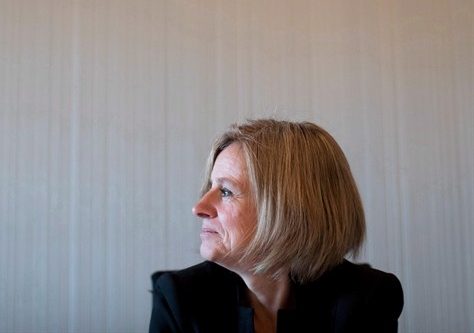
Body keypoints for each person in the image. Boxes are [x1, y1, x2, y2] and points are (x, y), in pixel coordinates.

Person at [149, 119, 403, 333]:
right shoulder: (180, 297)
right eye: (211, 187)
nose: (199, 207)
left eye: (225, 191)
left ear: (290, 210)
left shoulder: (367, 298)